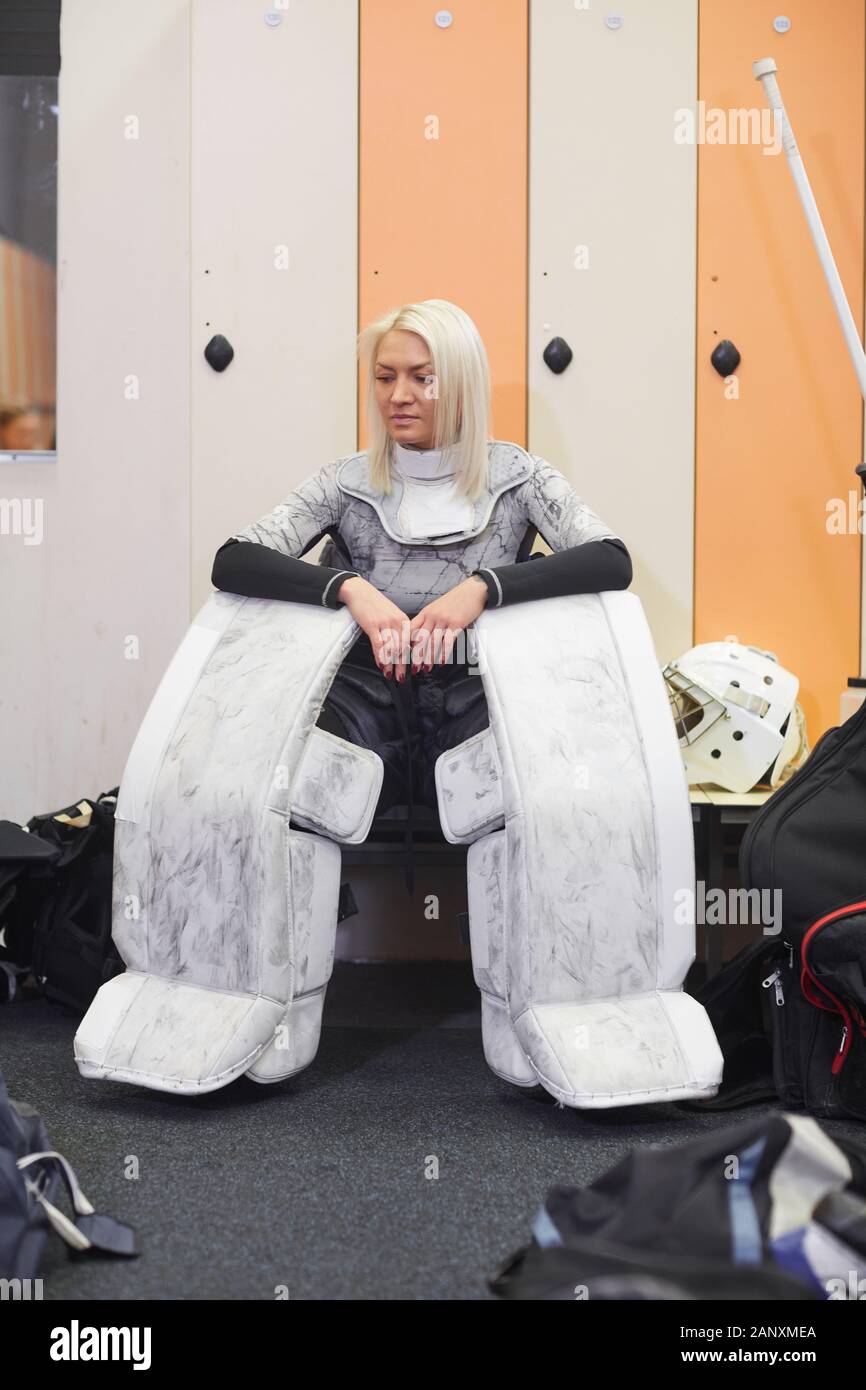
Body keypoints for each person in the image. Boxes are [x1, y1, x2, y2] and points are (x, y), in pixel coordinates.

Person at [211, 299, 633, 894]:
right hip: (367, 709)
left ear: (459, 383)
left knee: (539, 800)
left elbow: (610, 559)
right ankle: (290, 981)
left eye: (421, 378)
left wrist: (484, 589)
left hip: (480, 702)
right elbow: (233, 560)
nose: (398, 395)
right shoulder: (343, 482)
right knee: (280, 787)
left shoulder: (520, 478)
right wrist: (349, 589)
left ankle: (516, 981)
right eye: (385, 378)